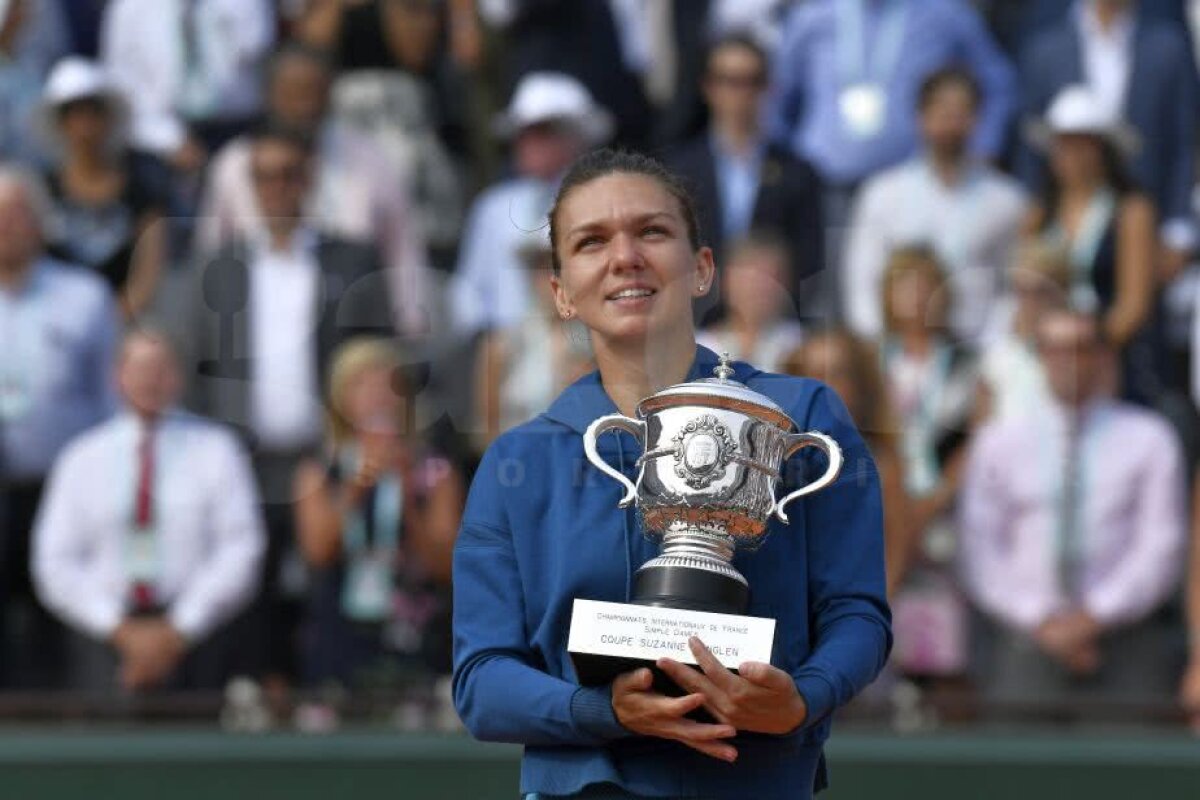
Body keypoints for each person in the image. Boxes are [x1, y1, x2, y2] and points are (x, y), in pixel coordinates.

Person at [452, 149, 890, 799]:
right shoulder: (518, 461)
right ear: (561, 293)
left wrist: (802, 699)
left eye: (651, 231)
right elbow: (481, 679)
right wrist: (601, 711)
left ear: (703, 268)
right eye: (591, 241)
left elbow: (857, 612)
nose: (625, 256)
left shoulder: (800, 416)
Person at [185, 123, 395, 681]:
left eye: (287, 175)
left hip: (328, 454)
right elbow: (199, 365)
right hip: (243, 459)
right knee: (246, 589)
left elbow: (378, 351)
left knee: (332, 581)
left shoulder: (351, 259)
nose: (276, 188)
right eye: (263, 177)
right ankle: (257, 695)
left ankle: (330, 693)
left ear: (308, 181)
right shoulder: (218, 267)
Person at [960, 309, 1187, 719]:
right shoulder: (999, 442)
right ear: (1040, 357)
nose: (1069, 360)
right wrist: (1043, 620)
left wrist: (1093, 617)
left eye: (1082, 348)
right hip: (1026, 642)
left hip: (1125, 643)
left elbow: (1162, 547)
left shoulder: (1149, 438)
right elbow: (980, 548)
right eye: (1056, 348)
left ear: (1102, 356)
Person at [32, 328, 265, 694]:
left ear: (179, 376)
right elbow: (54, 561)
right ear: (116, 376)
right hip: (104, 640)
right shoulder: (81, 458)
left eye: (160, 369)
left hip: (196, 639)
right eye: (138, 368)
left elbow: (240, 549)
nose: (149, 380)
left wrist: (180, 629)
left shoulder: (216, 450)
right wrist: (119, 629)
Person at [196, 43, 434, 336]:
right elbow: (211, 252)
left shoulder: (369, 158)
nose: (305, 107)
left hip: (349, 326)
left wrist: (410, 320)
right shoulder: (234, 165)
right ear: (270, 96)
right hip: (258, 327)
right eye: (293, 95)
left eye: (314, 94)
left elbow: (402, 248)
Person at [0, 164, 119, 688]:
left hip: (65, 484)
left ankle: (66, 722)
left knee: (64, 613)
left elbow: (110, 394)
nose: (6, 227)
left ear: (41, 223)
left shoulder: (84, 295)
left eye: (17, 214)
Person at [293, 337, 464, 693]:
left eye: (389, 386)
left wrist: (406, 499)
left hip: (416, 635)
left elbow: (446, 565)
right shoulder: (319, 471)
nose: (378, 397)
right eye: (363, 386)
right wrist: (357, 489)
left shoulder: (435, 472)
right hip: (340, 633)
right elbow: (318, 552)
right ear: (341, 400)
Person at [1016, 0, 1198, 277]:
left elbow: (1182, 144)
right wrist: (1034, 216)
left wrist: (1178, 230)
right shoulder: (1045, 50)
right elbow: (1030, 147)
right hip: (1067, 212)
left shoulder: (1167, 47)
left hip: (1145, 217)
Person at [843, 68, 1027, 341]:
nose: (950, 123)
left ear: (976, 119)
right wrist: (878, 348)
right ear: (920, 117)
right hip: (897, 354)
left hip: (977, 349)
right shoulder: (882, 193)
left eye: (961, 112)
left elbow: (1013, 287)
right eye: (942, 111)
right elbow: (861, 281)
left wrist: (990, 347)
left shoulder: (1006, 200)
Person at [767, 0, 1016, 191]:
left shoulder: (945, 15)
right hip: (824, 185)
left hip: (913, 187)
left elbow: (998, 83)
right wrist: (784, 163)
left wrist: (984, 146)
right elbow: (777, 96)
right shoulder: (813, 17)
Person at [665, 33, 823, 316]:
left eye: (752, 81)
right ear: (708, 87)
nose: (741, 93)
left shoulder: (797, 173)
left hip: (772, 325)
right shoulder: (677, 170)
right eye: (729, 81)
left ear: (768, 88)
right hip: (694, 323)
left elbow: (808, 262)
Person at [877, 246, 977, 679]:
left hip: (946, 517)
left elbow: (975, 441)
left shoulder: (968, 364)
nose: (916, 297)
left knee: (940, 645)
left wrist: (931, 503)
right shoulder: (873, 361)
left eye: (926, 286)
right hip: (881, 514)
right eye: (905, 286)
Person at [449, 71, 612, 336]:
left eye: (543, 131)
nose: (528, 142)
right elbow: (467, 293)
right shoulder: (493, 207)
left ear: (575, 137)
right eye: (523, 132)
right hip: (506, 351)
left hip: (581, 346)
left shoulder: (603, 202)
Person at [1024, 85, 1157, 398]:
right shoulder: (1039, 214)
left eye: (1081, 146)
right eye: (1063, 145)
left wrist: (1087, 351)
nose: (1071, 156)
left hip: (1108, 357)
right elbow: (1024, 287)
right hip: (1045, 354)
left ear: (1103, 151)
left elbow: (1133, 306)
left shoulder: (1131, 211)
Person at [782, 329, 915, 597]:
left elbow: (897, 555)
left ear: (860, 386)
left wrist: (866, 623)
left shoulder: (882, 465)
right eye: (809, 372)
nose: (820, 384)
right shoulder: (777, 462)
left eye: (836, 374)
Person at [39, 57, 168, 320]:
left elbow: (146, 276)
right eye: (74, 114)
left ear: (108, 119)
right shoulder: (40, 194)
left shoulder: (142, 193)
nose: (85, 126)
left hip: (122, 327)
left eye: (93, 112)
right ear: (60, 124)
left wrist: (106, 323)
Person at [100, 0, 275, 165]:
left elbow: (258, 54)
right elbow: (120, 87)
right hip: (158, 138)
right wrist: (168, 139)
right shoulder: (129, 8)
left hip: (239, 130)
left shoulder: (248, 4)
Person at [471, 235, 593, 453]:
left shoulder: (595, 342)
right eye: (542, 269)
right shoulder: (502, 343)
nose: (552, 280)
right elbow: (488, 425)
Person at [976, 242, 1073, 423]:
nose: (1030, 302)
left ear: (1062, 291)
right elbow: (982, 426)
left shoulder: (1082, 350)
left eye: (1041, 291)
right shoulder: (998, 348)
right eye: (1022, 291)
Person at [697, 233, 806, 372]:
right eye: (751, 279)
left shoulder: (802, 346)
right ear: (726, 282)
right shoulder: (699, 348)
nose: (761, 288)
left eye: (772, 278)